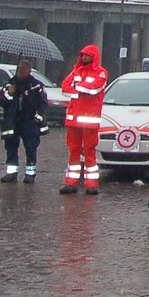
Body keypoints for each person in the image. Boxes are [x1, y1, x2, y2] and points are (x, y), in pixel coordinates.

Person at [59, 44, 109, 194]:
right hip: (73, 119)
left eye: (87, 55)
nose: (84, 58)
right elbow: (65, 87)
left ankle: (91, 184)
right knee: (73, 151)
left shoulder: (101, 73)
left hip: (90, 121)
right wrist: (81, 89)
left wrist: (77, 87)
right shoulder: (77, 71)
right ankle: (71, 182)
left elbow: (94, 88)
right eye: (83, 55)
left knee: (89, 152)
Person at [0, 59, 48, 184]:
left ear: (29, 70)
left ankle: (30, 173)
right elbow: (0, 101)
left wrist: (37, 117)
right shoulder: (10, 84)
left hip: (29, 120)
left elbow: (43, 104)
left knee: (31, 147)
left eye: (23, 69)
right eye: (19, 68)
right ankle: (11, 172)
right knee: (11, 147)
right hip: (12, 120)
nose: (20, 71)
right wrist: (9, 93)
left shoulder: (36, 85)